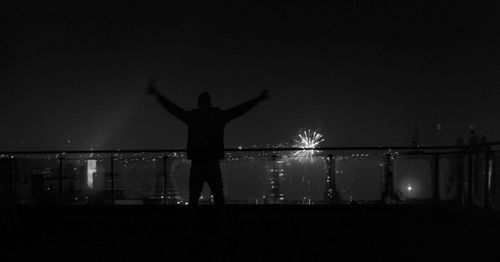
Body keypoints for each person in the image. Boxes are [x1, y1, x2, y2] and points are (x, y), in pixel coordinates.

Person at [146, 78, 269, 205]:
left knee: (197, 198)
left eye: (205, 102)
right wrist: (257, 100)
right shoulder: (216, 117)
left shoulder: (194, 118)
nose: (205, 105)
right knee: (215, 197)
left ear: (199, 104)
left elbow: (174, 110)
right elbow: (238, 110)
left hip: (200, 164)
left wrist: (157, 95)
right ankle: (218, 223)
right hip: (209, 163)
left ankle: (196, 223)